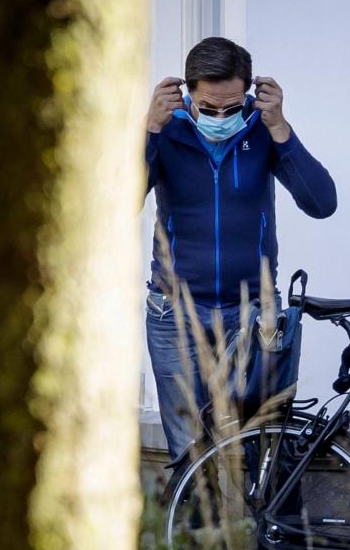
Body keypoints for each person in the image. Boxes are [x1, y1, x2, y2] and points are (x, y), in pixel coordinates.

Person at [143, 36, 336, 461]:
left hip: (254, 313)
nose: (220, 116)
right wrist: (150, 131)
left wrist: (280, 128)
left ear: (248, 91)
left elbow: (322, 203)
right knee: (191, 460)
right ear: (186, 93)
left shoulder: (263, 130)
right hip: (176, 315)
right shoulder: (167, 132)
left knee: (268, 450)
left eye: (231, 107)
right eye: (208, 107)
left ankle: (275, 530)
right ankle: (195, 529)